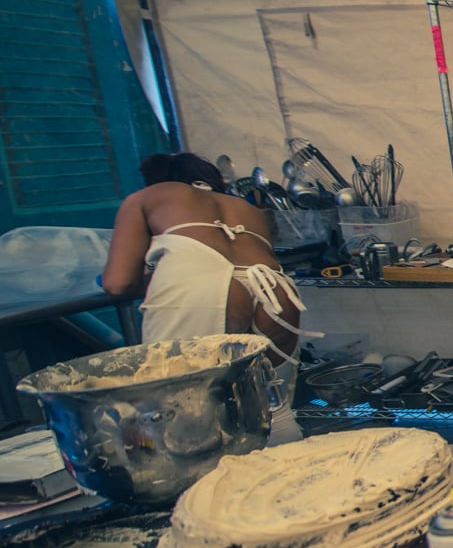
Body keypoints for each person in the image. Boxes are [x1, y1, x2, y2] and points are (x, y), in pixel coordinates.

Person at [100, 153, 309, 441]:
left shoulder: (146, 197)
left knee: (181, 420)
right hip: (272, 288)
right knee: (273, 411)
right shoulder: (245, 207)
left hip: (201, 287)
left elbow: (117, 284)